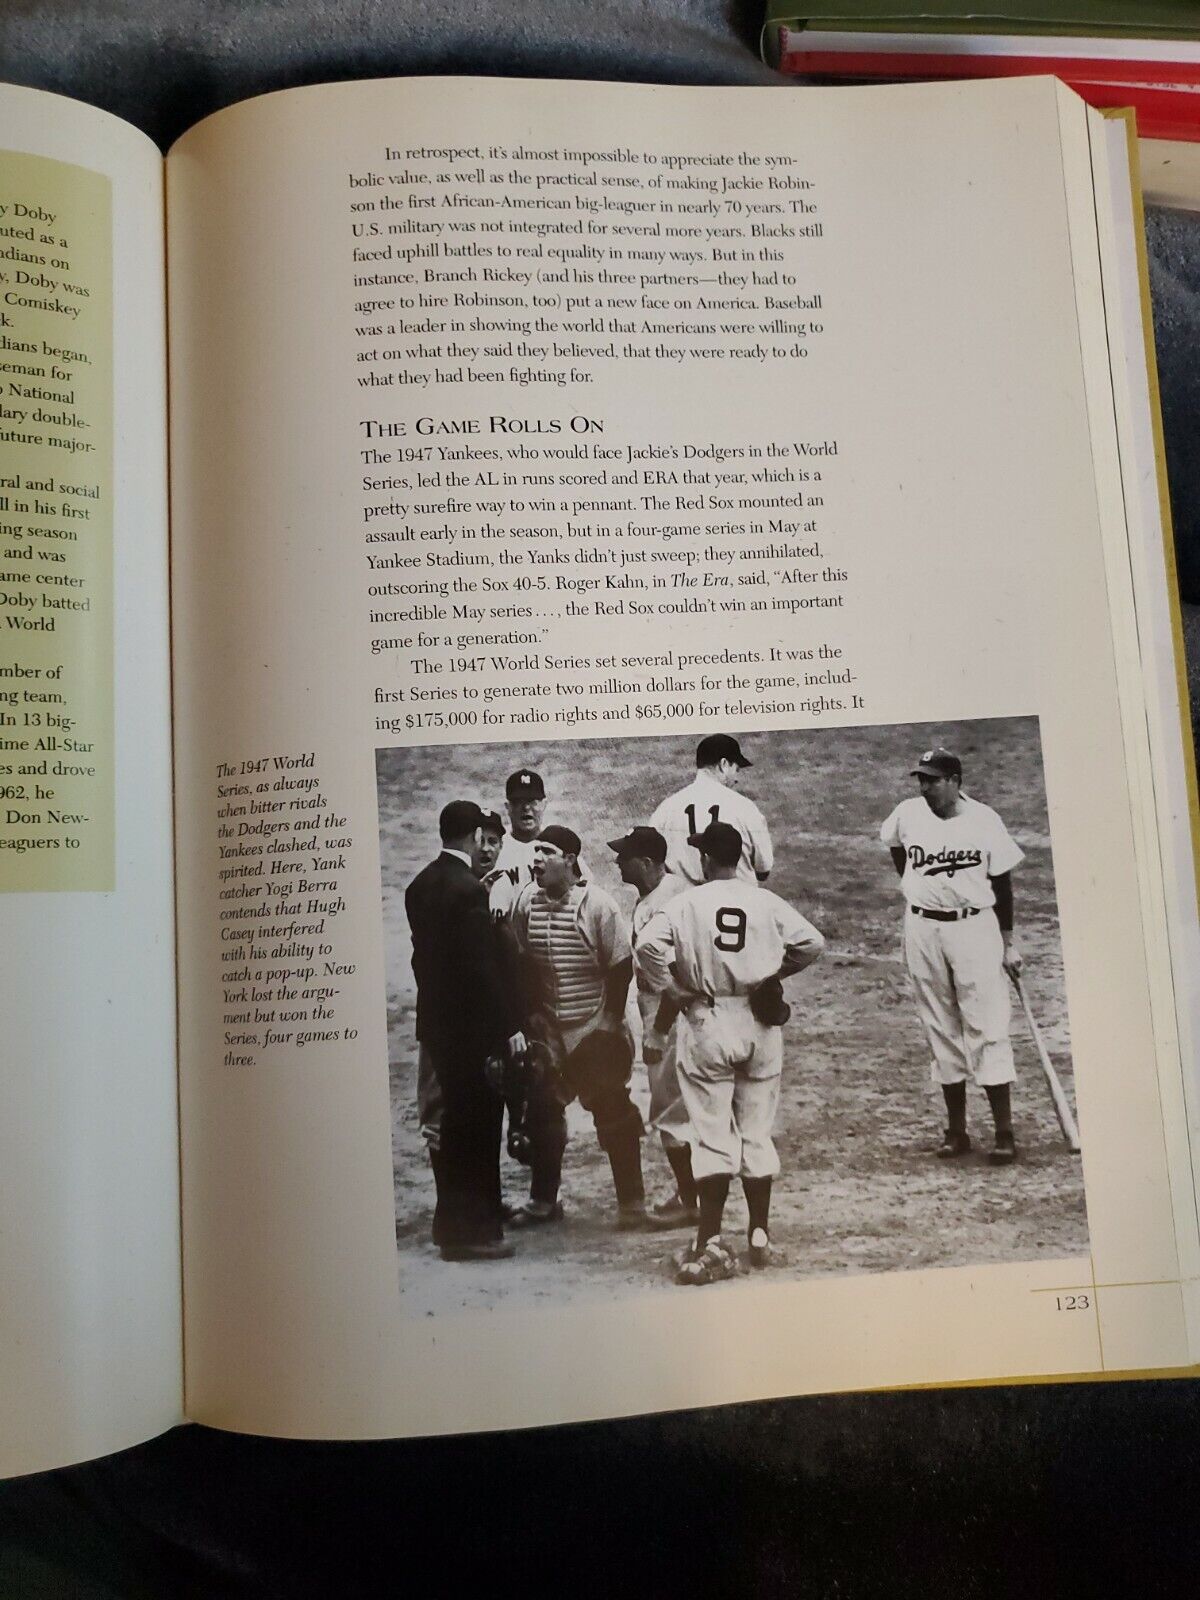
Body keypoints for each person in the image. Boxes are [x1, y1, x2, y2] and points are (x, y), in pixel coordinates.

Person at [636, 821, 825, 1284]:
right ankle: (759, 1233)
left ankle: (710, 1236)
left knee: (711, 1131)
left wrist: (673, 989)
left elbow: (646, 947)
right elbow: (812, 943)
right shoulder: (764, 900)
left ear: (705, 859)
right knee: (756, 1130)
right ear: (739, 858)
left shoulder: (686, 902)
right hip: (759, 1021)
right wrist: (773, 976)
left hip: (708, 1018)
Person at [879, 747, 1024, 1166]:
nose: (925, 787)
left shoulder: (984, 820)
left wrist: (1009, 942)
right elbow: (895, 847)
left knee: (987, 1024)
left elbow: (1003, 885)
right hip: (922, 927)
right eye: (921, 779)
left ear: (955, 781)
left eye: (933, 780)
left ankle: (1004, 1132)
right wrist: (913, 883)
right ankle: (956, 1131)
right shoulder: (908, 813)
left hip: (975, 927)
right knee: (938, 1025)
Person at [509, 824, 648, 1229]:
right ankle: (543, 1201)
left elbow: (621, 967)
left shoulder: (598, 905)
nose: (536, 860)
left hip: (592, 1023)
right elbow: (522, 965)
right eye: (535, 852)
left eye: (546, 852)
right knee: (542, 1112)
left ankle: (632, 1205)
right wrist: (532, 1017)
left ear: (569, 860)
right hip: (550, 1027)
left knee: (613, 1111)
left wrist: (607, 1024)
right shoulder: (526, 903)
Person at [405, 800, 526, 1261]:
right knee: (476, 1127)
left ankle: (452, 1226)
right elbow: (481, 971)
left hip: (436, 1024)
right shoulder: (470, 890)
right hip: (471, 1030)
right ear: (476, 837)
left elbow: (425, 962)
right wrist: (508, 1026)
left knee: (453, 1124)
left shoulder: (419, 886)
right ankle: (470, 1232)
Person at [608, 826, 698, 1229]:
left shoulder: (669, 903)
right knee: (678, 1107)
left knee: (671, 1110)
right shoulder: (661, 894)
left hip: (671, 1016)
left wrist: (658, 1030)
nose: (616, 861)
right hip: (661, 1009)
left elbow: (677, 978)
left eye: (623, 856)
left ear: (645, 863)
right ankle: (693, 1194)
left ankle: (691, 1200)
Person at [650, 734, 773, 886]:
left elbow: (651, 868)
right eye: (737, 769)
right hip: (736, 905)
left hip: (684, 906)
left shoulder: (666, 809)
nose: (737, 778)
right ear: (724, 764)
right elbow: (763, 870)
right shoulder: (745, 808)